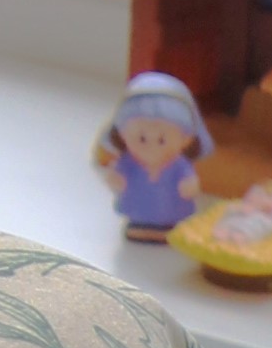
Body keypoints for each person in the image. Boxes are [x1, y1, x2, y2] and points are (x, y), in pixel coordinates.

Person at [90, 69, 211, 241]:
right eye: (142, 139)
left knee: (172, 218)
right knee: (137, 218)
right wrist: (115, 179)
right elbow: (117, 176)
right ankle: (138, 226)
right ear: (122, 134)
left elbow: (189, 179)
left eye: (162, 140)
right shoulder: (128, 162)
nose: (151, 147)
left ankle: (168, 228)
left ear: (186, 139)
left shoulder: (179, 164)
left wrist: (189, 186)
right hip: (137, 207)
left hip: (171, 207)